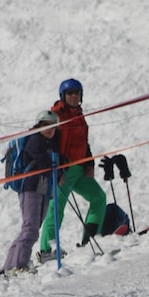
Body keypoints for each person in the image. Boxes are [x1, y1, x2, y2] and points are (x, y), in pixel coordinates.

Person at [37, 78, 107, 259]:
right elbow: (46, 141)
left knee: (98, 197)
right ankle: (46, 250)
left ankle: (90, 239)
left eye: (77, 92)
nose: (74, 96)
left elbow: (84, 143)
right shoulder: (55, 115)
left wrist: (89, 163)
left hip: (79, 169)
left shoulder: (79, 115)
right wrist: (58, 168)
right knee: (56, 207)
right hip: (62, 169)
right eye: (70, 93)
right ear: (63, 95)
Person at [0, 111, 60, 277]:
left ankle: (10, 265)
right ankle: (18, 264)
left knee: (31, 228)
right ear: (39, 125)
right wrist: (58, 172)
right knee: (30, 228)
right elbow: (42, 162)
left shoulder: (49, 142)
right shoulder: (35, 140)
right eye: (46, 125)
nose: (50, 129)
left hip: (43, 188)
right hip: (31, 187)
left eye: (53, 125)